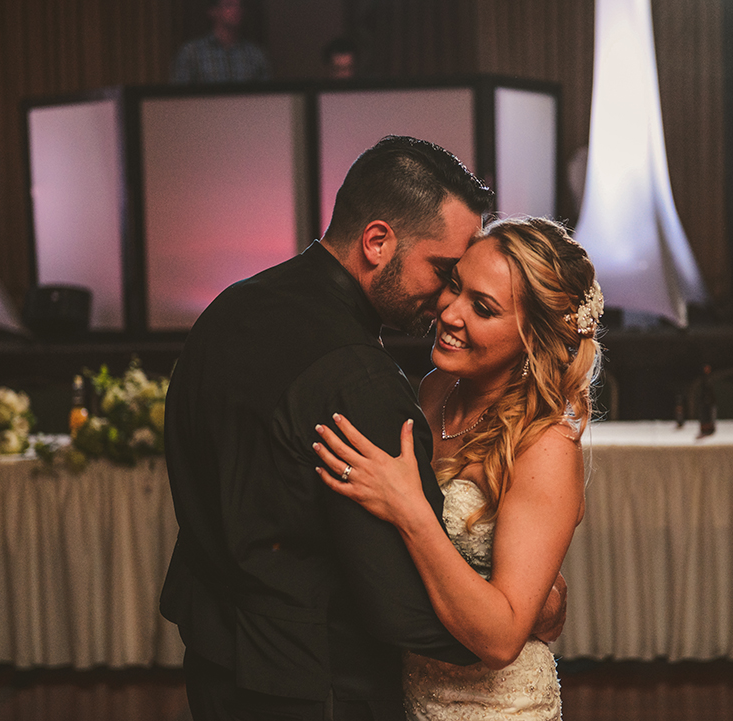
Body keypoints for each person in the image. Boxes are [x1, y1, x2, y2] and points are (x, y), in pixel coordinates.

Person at [161, 136, 563, 721]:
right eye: (445, 271)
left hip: (213, 663)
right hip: (319, 685)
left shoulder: (227, 310)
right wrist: (515, 623)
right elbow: (396, 601)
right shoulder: (363, 383)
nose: (445, 302)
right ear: (378, 241)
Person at [313, 217, 603, 720]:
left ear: (534, 336)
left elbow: (500, 640)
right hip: (413, 693)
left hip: (499, 707)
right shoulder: (434, 390)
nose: (449, 312)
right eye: (455, 285)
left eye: (482, 307)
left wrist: (410, 512)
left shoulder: (546, 444)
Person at [171, 0, 270, 84]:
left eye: (239, 6)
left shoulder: (255, 55)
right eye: (229, 5)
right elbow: (178, 99)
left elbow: (267, 98)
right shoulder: (192, 53)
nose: (236, 10)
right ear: (213, 11)